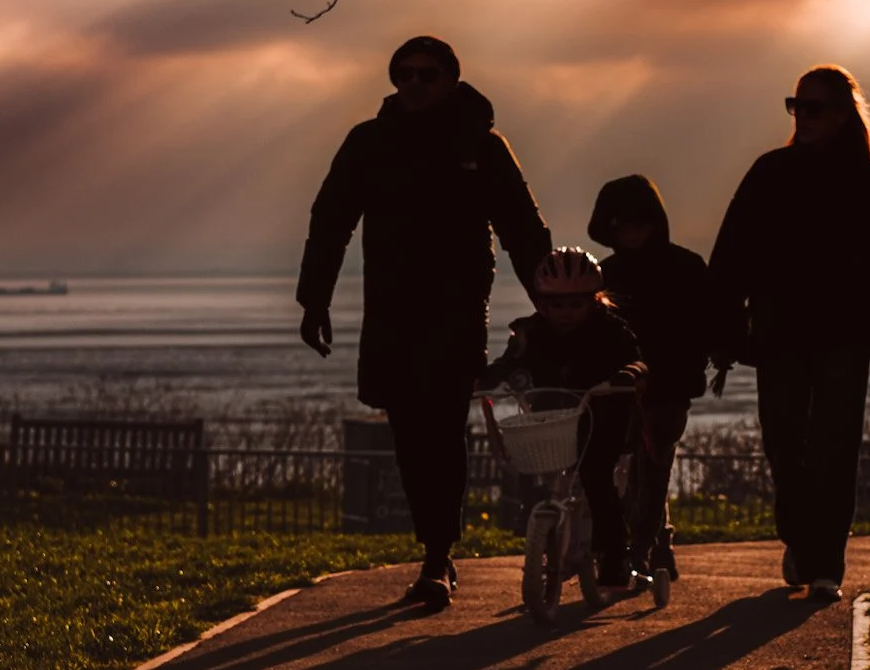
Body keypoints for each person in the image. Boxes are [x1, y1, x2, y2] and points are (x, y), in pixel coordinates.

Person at [297, 35, 551, 611]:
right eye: (404, 74)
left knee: (441, 426)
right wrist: (314, 301)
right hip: (389, 307)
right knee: (409, 433)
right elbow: (330, 220)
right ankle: (435, 551)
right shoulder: (368, 143)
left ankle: (437, 558)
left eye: (428, 75)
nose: (414, 83)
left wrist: (551, 303)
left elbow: (522, 226)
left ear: (450, 81)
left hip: (456, 309)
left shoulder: (483, 147)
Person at [707, 64, 870, 605]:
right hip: (779, 335)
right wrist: (722, 330)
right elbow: (730, 257)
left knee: (834, 446)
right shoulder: (768, 173)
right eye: (796, 106)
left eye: (814, 108)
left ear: (842, 116)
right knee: (783, 443)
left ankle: (826, 562)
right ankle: (801, 539)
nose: (802, 117)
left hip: (845, 336)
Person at [482, 246, 647, 589]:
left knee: (597, 477)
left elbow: (637, 359)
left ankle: (614, 556)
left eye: (576, 304)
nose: (566, 313)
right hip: (554, 420)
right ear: (542, 304)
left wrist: (627, 374)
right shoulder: (530, 333)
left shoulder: (611, 330)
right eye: (558, 305)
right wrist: (490, 377)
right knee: (534, 471)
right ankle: (542, 535)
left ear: (594, 300)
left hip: (603, 418)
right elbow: (510, 362)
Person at [587, 173, 712, 583]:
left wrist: (712, 361)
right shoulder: (600, 276)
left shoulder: (687, 267)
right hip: (619, 388)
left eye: (639, 222)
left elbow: (706, 326)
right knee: (626, 471)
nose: (630, 231)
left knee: (653, 469)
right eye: (621, 224)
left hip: (670, 388)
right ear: (609, 227)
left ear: (654, 222)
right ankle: (655, 545)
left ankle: (641, 550)